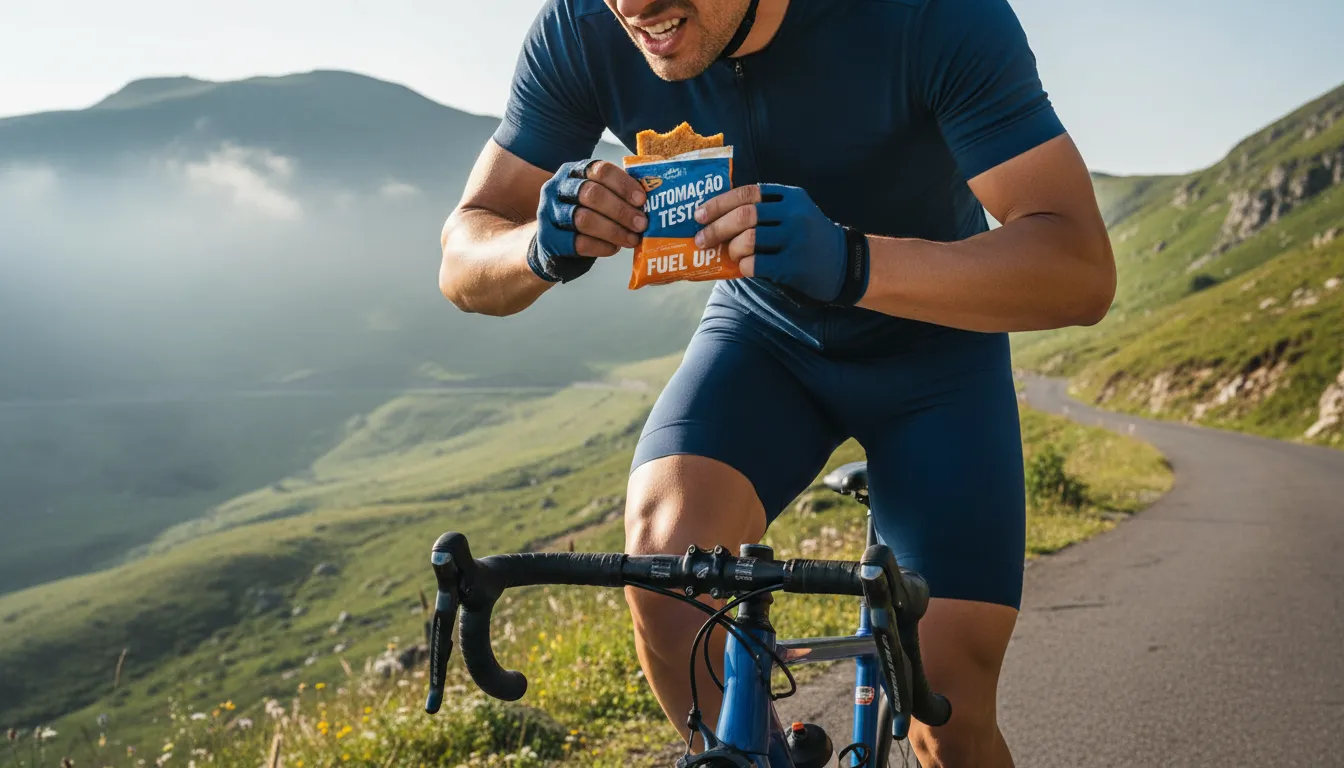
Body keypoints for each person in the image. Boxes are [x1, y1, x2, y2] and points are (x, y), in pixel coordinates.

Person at [437, 0, 1115, 764]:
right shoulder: (583, 28)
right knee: (667, 575)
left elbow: (1080, 270)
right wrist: (539, 244)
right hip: (765, 339)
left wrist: (854, 262)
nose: (634, 7)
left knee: (947, 707)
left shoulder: (934, 16)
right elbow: (463, 258)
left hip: (938, 356)